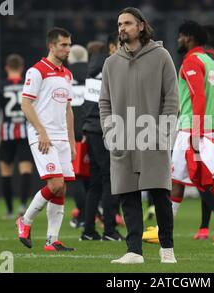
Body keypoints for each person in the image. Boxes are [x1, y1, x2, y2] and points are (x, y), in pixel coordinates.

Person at [142, 20, 214, 246]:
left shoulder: (191, 62)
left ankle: (162, 230)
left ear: (188, 37)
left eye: (180, 36)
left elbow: (199, 97)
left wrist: (196, 133)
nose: (178, 39)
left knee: (178, 178)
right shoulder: (208, 59)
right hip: (210, 125)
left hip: (194, 129)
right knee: (203, 178)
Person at [99, 7, 179, 264]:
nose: (122, 28)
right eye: (119, 23)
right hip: (121, 137)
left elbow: (171, 98)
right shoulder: (111, 63)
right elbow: (104, 102)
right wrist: (110, 131)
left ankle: (167, 248)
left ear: (141, 26)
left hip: (153, 136)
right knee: (128, 195)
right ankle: (134, 251)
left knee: (159, 193)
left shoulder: (162, 56)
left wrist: (163, 132)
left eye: (128, 23)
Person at [16, 27, 76, 252]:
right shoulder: (37, 71)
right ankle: (25, 221)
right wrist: (41, 131)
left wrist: (72, 142)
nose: (68, 49)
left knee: (61, 189)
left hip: (62, 138)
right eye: (63, 45)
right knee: (55, 184)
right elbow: (26, 104)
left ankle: (52, 240)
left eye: (69, 45)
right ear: (51, 46)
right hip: (43, 136)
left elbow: (68, 109)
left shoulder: (67, 74)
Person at [80, 39, 124, 241]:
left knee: (96, 182)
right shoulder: (113, 68)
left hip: (90, 128)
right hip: (104, 129)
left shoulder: (92, 68)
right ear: (112, 47)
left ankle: (88, 230)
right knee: (110, 180)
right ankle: (109, 230)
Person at [0, 54, 33, 220]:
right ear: (22, 68)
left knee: (5, 172)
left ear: (6, 67)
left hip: (6, 134)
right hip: (25, 132)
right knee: (25, 170)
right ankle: (22, 207)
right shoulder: (27, 85)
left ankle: (9, 211)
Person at [66, 44, 89, 229]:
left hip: (72, 131)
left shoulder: (65, 74)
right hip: (92, 129)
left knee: (77, 176)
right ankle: (92, 214)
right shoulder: (92, 73)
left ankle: (83, 215)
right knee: (93, 176)